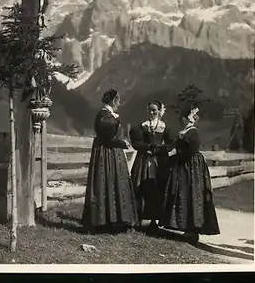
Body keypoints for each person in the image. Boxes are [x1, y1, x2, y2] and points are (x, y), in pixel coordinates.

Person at [159, 106, 220, 244]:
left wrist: (176, 157)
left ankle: (193, 230)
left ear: (186, 118)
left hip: (190, 167)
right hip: (185, 166)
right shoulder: (187, 131)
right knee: (184, 195)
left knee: (191, 195)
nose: (180, 120)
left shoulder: (192, 133)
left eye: (182, 117)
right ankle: (187, 228)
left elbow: (191, 150)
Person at [81, 89, 138, 232]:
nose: (119, 103)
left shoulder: (108, 115)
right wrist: (121, 143)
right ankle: (105, 220)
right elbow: (107, 137)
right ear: (113, 101)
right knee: (106, 182)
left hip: (112, 154)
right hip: (106, 153)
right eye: (118, 101)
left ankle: (115, 219)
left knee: (114, 183)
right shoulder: (104, 115)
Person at [130, 101, 174, 232]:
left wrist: (160, 150)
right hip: (143, 160)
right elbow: (136, 142)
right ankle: (137, 218)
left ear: (160, 111)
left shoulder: (164, 127)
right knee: (139, 186)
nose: (152, 112)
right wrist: (147, 148)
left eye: (154, 110)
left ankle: (154, 220)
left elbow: (171, 144)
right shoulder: (142, 126)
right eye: (150, 110)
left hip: (157, 162)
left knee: (156, 188)